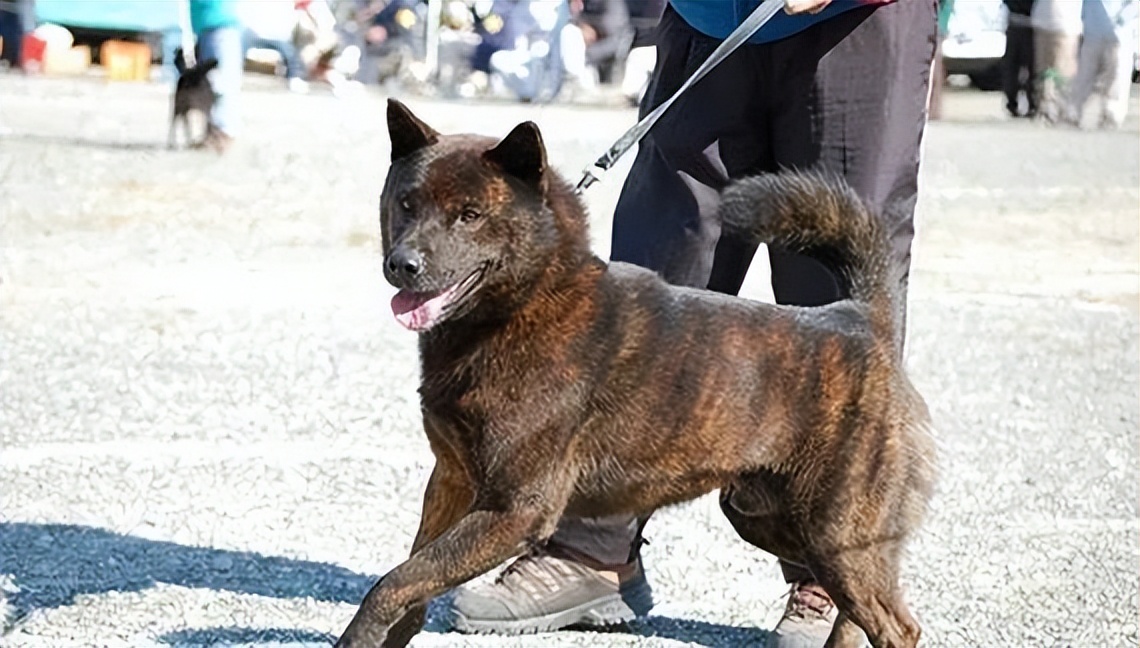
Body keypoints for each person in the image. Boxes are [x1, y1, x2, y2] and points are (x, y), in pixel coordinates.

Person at [449, 0, 938, 647]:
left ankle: (835, 579)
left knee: (838, 289)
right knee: (658, 275)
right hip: (709, 15)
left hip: (858, 25)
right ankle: (593, 549)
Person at [1065, 0, 1139, 129]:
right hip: (1093, 33)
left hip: (1119, 35)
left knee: (1117, 77)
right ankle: (1074, 112)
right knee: (1085, 76)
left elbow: (1135, 4)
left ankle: (1111, 115)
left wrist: (1120, 20)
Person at [190, 0, 244, 152]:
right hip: (207, 26)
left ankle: (225, 131)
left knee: (222, 82)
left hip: (221, 24)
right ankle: (214, 130)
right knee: (209, 84)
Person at [1030, 0, 1083, 123]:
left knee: (1050, 70)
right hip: (1062, 23)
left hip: (1049, 21)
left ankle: (1049, 107)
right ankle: (1054, 108)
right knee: (1058, 71)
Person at [1003, 0, 1037, 118]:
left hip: (1014, 24)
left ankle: (1012, 103)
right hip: (1031, 25)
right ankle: (1032, 104)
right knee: (1032, 68)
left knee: (1011, 68)